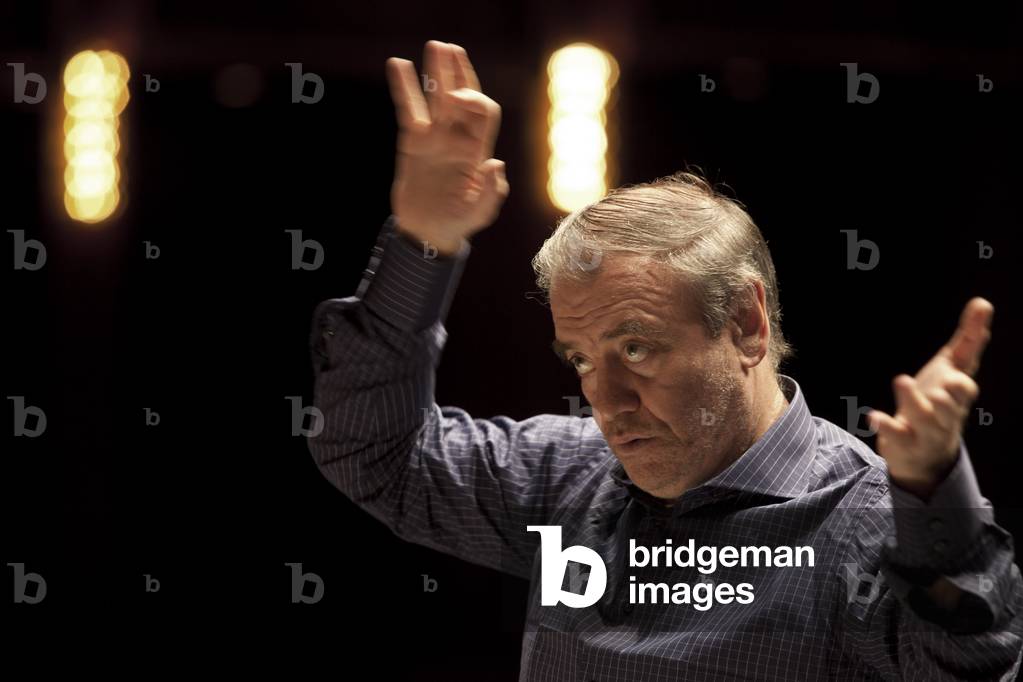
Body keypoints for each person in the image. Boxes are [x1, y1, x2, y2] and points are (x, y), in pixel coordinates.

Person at [307, 40, 1022, 680]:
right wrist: (422, 242)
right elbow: (376, 452)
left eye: (636, 348)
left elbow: (967, 663)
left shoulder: (862, 524)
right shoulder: (568, 477)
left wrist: (932, 489)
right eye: (581, 359)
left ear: (744, 324)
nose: (605, 402)